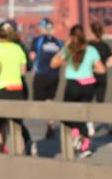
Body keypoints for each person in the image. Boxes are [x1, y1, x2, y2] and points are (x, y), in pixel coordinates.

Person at [50, 24, 106, 159]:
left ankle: (76, 137)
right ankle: (85, 145)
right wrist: (89, 69)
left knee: (68, 115)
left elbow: (53, 64)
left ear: (71, 36)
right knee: (83, 116)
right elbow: (102, 70)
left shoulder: (69, 50)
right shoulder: (91, 49)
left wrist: (65, 46)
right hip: (88, 85)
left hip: (73, 85)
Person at [0, 21, 33, 155]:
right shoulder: (18, 49)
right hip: (17, 90)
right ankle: (20, 157)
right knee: (17, 127)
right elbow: (23, 72)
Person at [29, 18, 62, 139]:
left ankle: (41, 127)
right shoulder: (59, 42)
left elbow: (32, 57)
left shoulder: (38, 40)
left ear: (42, 28)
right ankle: (50, 123)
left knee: (38, 101)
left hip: (41, 75)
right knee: (50, 99)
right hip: (54, 76)